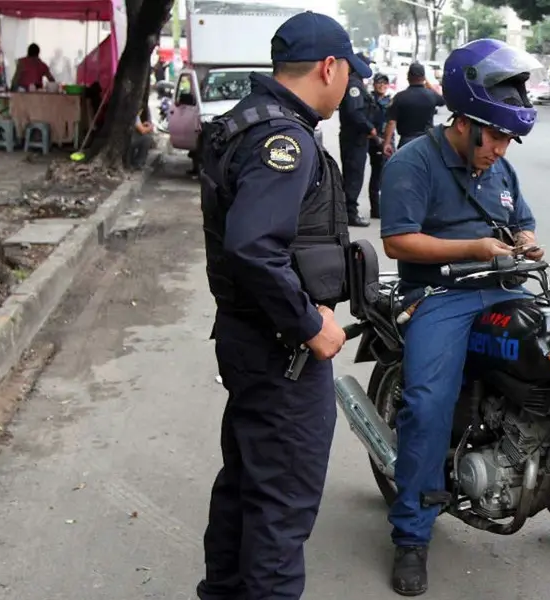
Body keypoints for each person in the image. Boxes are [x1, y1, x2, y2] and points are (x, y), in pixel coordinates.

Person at [379, 38, 550, 597]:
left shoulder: (502, 171)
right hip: (441, 297)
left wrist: (527, 242)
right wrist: (473, 250)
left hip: (505, 291)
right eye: (495, 138)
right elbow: (397, 242)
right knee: (427, 402)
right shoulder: (412, 162)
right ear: (463, 123)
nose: (502, 151)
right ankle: (413, 533)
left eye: (511, 139)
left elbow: (523, 222)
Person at [193, 11, 367, 600]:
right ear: (328, 67)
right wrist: (308, 322)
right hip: (279, 348)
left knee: (246, 483)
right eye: (348, 73)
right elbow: (253, 247)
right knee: (280, 504)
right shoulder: (283, 140)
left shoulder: (245, 122)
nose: (349, 87)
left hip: (249, 339)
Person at [338, 53, 377, 227]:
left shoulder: (356, 82)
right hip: (354, 138)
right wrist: (369, 127)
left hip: (356, 137)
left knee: (354, 175)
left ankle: (348, 212)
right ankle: (350, 214)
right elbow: (354, 112)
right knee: (354, 176)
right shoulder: (354, 84)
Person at [382, 62, 446, 156]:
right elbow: (443, 100)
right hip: (427, 141)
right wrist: (428, 84)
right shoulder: (431, 95)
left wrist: (387, 143)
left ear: (408, 77)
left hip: (406, 141)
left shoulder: (399, 97)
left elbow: (391, 122)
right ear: (424, 78)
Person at [367, 73, 392, 219]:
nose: (382, 86)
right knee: (376, 175)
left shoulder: (390, 101)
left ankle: (383, 207)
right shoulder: (370, 100)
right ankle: (375, 209)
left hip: (387, 141)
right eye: (379, 83)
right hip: (374, 140)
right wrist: (377, 139)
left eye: (385, 83)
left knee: (386, 175)